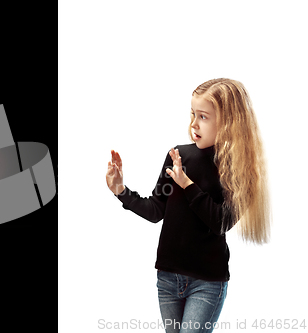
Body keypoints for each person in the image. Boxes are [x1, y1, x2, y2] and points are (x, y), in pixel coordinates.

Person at [106, 78, 271, 333]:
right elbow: (156, 210)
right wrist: (120, 190)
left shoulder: (242, 172)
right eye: (193, 114)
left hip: (206, 282)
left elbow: (220, 222)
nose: (193, 123)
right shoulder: (177, 157)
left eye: (203, 116)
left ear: (229, 122)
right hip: (168, 277)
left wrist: (188, 184)